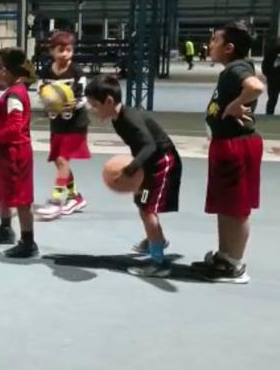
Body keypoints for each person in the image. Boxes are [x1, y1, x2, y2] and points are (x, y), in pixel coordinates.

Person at [86, 75, 182, 277]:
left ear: (109, 101)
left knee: (147, 209)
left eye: (95, 105)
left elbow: (149, 145)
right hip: (150, 163)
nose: (92, 110)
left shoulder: (129, 118)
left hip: (163, 163)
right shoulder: (117, 119)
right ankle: (156, 239)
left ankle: (158, 262)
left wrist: (130, 170)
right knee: (142, 203)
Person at [191, 20, 264, 284]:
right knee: (226, 205)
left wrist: (234, 106)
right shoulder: (234, 68)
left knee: (237, 207)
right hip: (227, 144)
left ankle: (235, 265)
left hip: (236, 145)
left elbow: (256, 87)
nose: (210, 45)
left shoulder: (236, 68)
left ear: (229, 48)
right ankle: (224, 256)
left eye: (214, 41)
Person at [0, 48, 37, 258]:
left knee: (21, 200)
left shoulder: (15, 95)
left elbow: (14, 128)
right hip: (6, 152)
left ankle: (28, 241)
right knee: (3, 193)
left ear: (9, 71)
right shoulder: (13, 90)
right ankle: (5, 229)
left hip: (15, 153)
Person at [35, 31, 90, 220]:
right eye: (61, 50)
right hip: (56, 122)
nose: (65, 53)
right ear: (52, 51)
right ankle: (75, 197)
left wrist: (72, 103)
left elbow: (82, 98)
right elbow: (40, 90)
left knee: (62, 160)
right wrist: (47, 101)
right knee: (60, 162)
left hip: (76, 122)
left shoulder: (77, 72)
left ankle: (56, 201)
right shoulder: (46, 71)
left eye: (69, 50)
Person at [262, 36, 279, 115]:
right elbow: (265, 65)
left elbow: (265, 65)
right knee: (272, 99)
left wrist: (268, 74)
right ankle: (269, 113)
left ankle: (269, 115)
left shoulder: (270, 51)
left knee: (272, 99)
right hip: (273, 78)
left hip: (273, 78)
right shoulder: (271, 51)